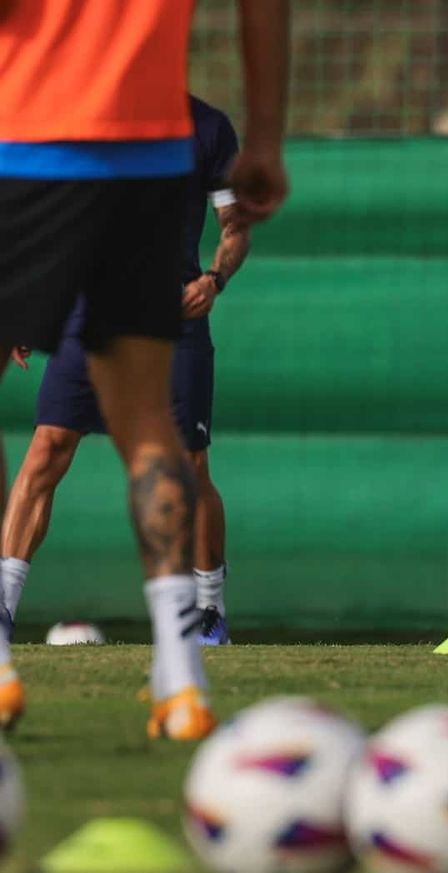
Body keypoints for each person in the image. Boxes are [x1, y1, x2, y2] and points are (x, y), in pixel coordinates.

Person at [0, 0, 290, 737]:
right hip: (146, 160)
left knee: (180, 449)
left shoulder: (207, 130)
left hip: (29, 137)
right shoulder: (201, 130)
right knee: (143, 422)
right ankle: (182, 680)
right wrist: (268, 134)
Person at [2, 95, 250, 654]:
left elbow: (234, 225)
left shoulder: (208, 128)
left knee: (188, 465)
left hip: (171, 316)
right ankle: (3, 607)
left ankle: (209, 607)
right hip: (85, 314)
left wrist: (214, 278)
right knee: (47, 448)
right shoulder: (85, 116)